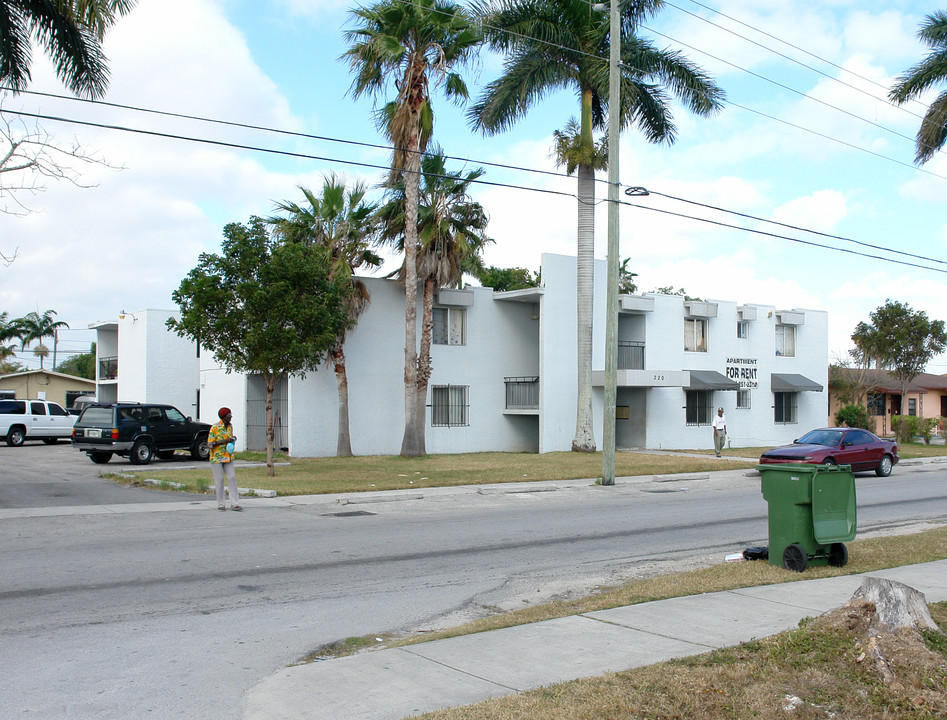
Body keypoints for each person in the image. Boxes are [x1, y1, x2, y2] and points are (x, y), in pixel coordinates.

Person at [209, 407, 241, 511]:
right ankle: (221, 503)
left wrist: (232, 440)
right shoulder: (215, 427)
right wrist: (225, 441)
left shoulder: (230, 426)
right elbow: (210, 444)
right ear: (224, 416)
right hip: (216, 458)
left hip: (228, 456)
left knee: (232, 477)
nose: (231, 416)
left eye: (230, 414)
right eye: (229, 414)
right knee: (219, 480)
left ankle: (235, 503)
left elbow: (229, 439)